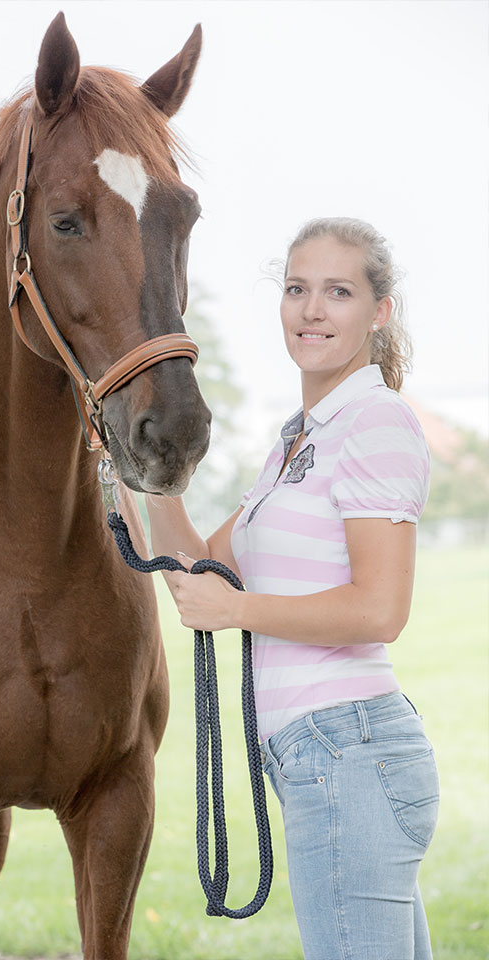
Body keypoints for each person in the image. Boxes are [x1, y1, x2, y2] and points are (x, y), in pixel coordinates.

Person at [144, 217, 440, 960]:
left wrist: (237, 611)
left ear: (379, 312)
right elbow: (200, 571)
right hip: (323, 756)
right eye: (297, 289)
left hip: (350, 750)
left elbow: (379, 610)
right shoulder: (295, 440)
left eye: (338, 292)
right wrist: (134, 468)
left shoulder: (375, 422)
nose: (312, 310)